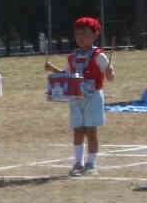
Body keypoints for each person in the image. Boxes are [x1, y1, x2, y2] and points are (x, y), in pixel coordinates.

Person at [44, 16, 112, 176]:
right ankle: (78, 163)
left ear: (95, 35)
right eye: (77, 34)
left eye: (85, 34)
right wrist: (53, 70)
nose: (80, 38)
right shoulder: (72, 56)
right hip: (75, 97)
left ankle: (91, 163)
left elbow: (110, 77)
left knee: (91, 130)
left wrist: (109, 72)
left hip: (93, 96)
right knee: (78, 130)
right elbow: (67, 75)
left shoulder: (99, 55)